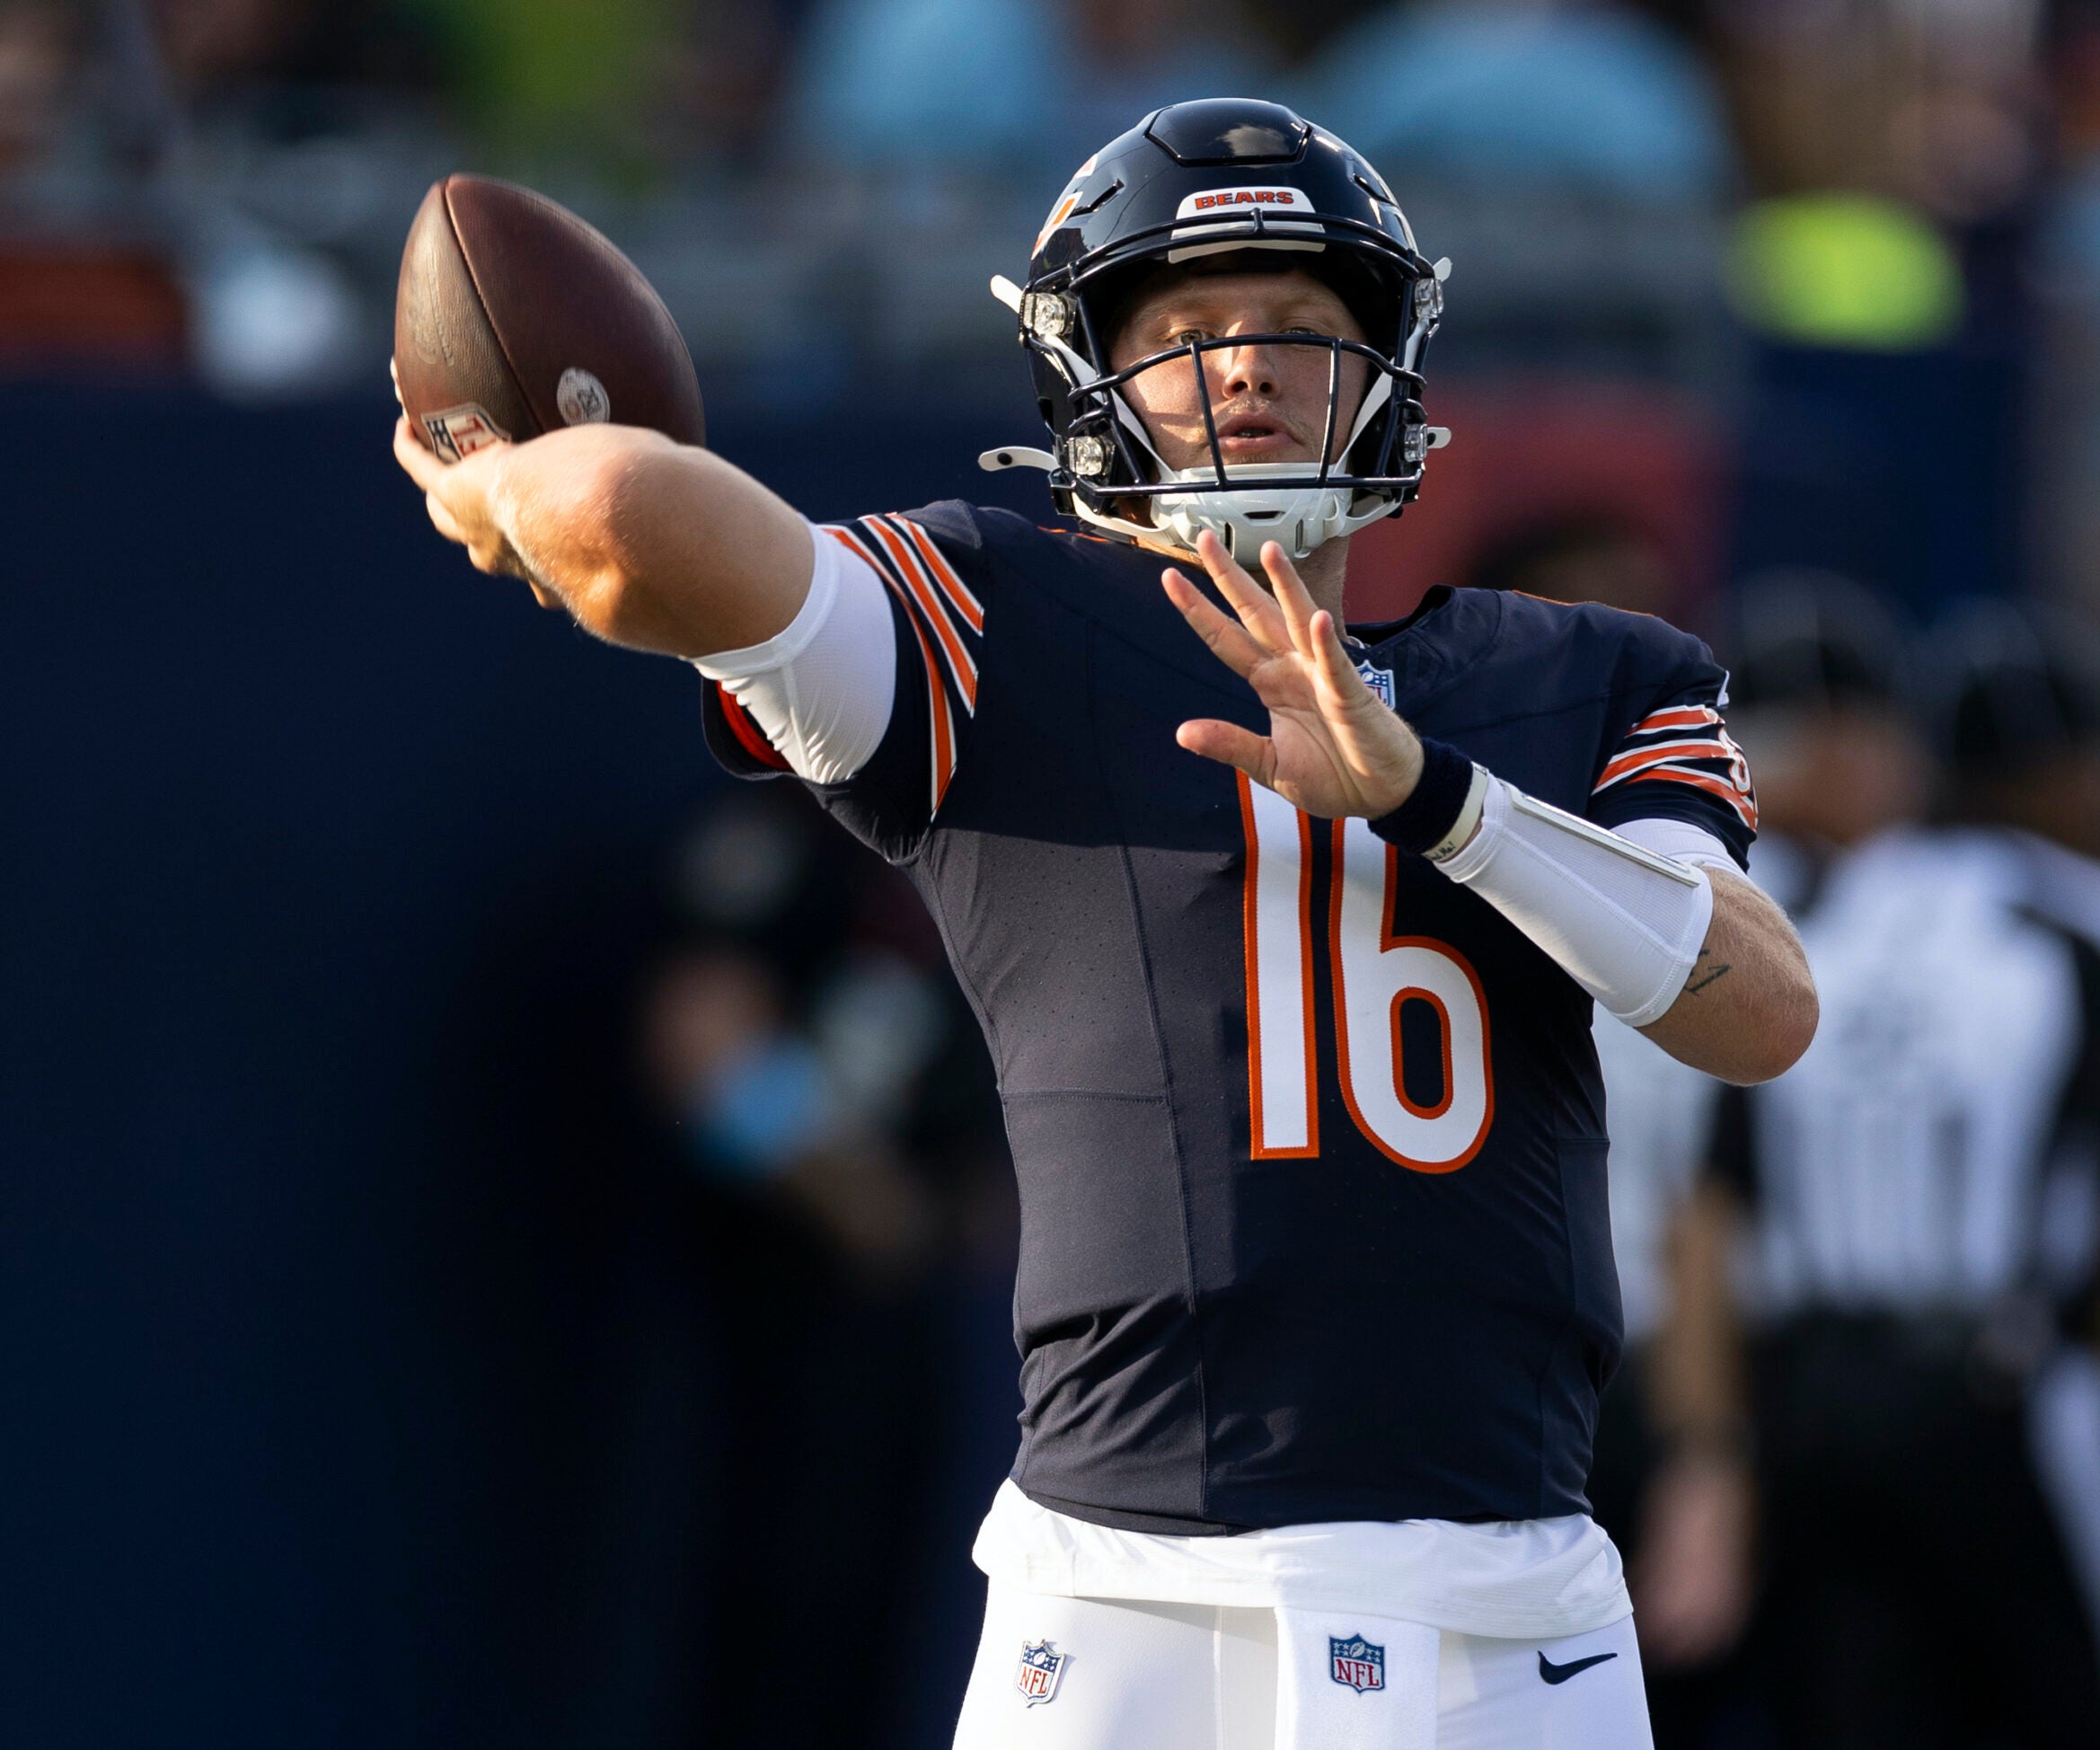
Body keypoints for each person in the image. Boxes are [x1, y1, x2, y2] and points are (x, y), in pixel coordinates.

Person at [393, 97, 1817, 1749]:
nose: (1246, 364)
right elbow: (635, 530)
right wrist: (508, 490)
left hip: (1508, 1598)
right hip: (1124, 1587)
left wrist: (1435, 799)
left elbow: (1760, 1010)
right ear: (1090, 376)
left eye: (1299, 323)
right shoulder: (998, 623)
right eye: (1189, 328)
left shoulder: (1589, 672)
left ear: (1390, 366)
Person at [1668, 585, 2100, 1750]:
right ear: (2068, 771)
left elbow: (1708, 1219)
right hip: (2010, 1404)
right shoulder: (2095, 927)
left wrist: (1717, 1456)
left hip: (1814, 1417)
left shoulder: (1811, 925)